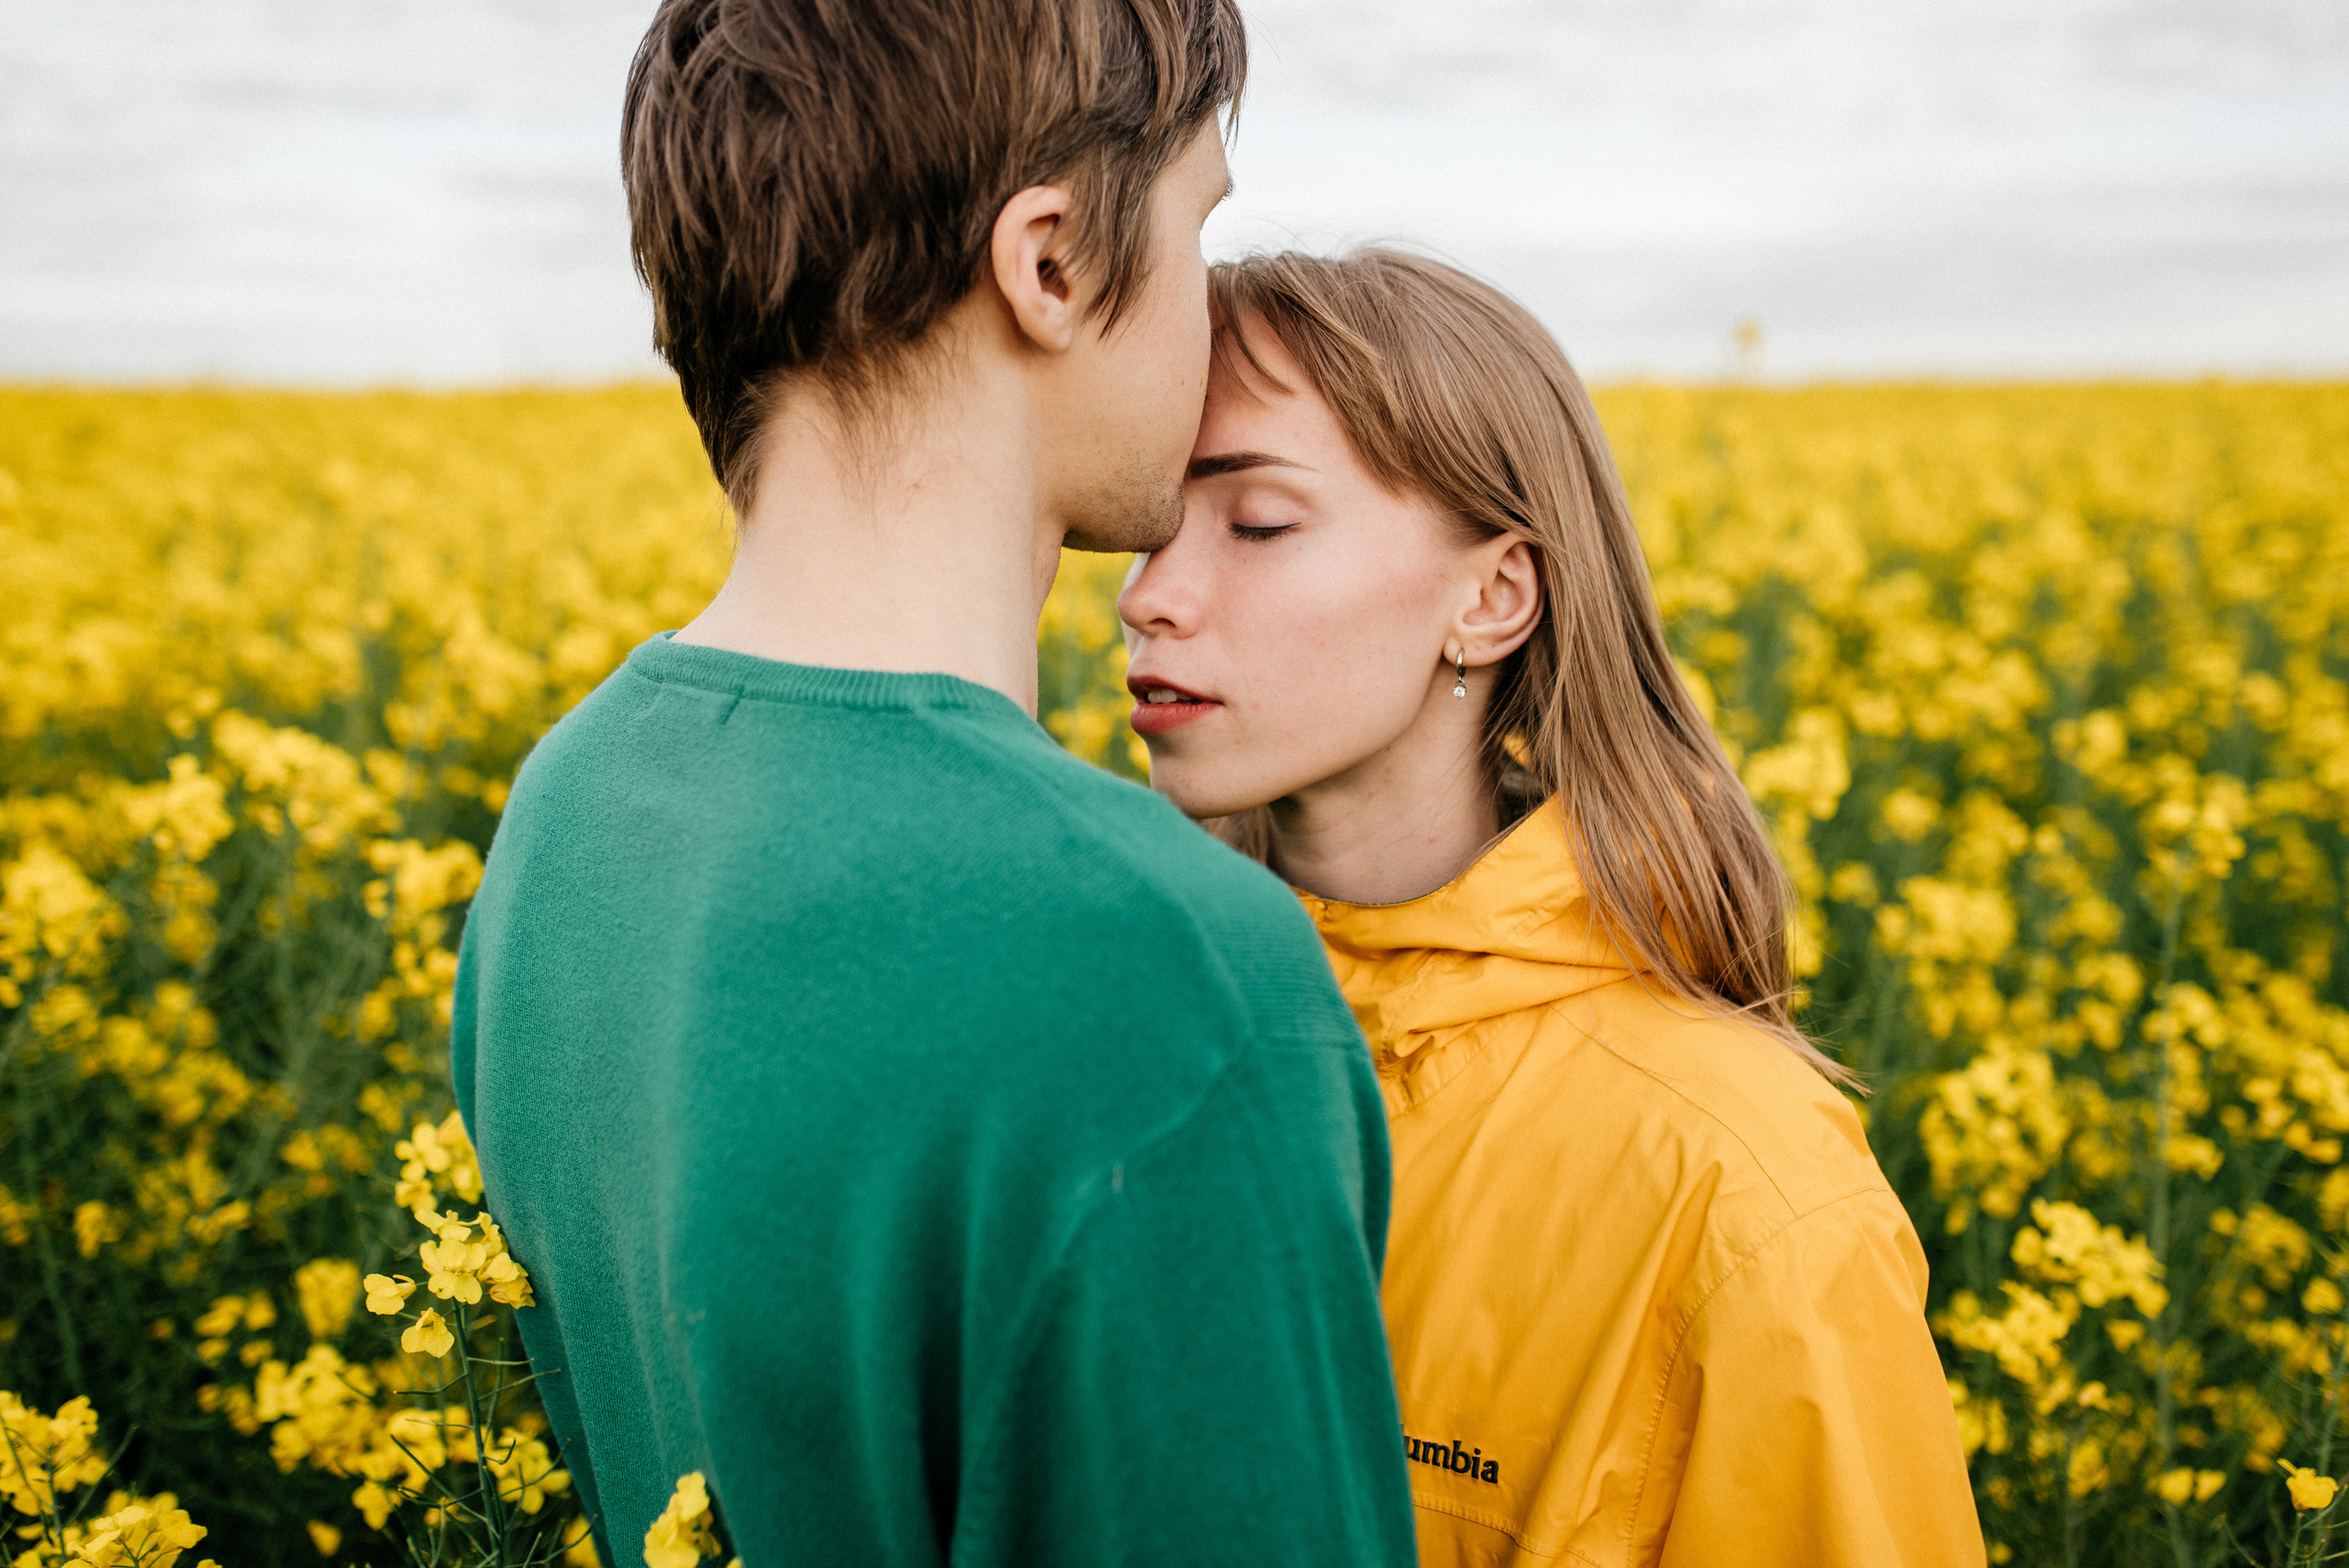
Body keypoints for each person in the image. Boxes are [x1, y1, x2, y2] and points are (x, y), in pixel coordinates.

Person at [450, 8, 1417, 1564]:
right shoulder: (1159, 968)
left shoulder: (569, 813)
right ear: (1050, 266)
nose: (1215, 317)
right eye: (1195, 232)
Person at [1119, 248, 1985, 1567]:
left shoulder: (1748, 1195)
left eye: (1257, 525)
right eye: (1145, 529)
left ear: (1493, 596)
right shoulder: (1124, 1052)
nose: (1147, 597)